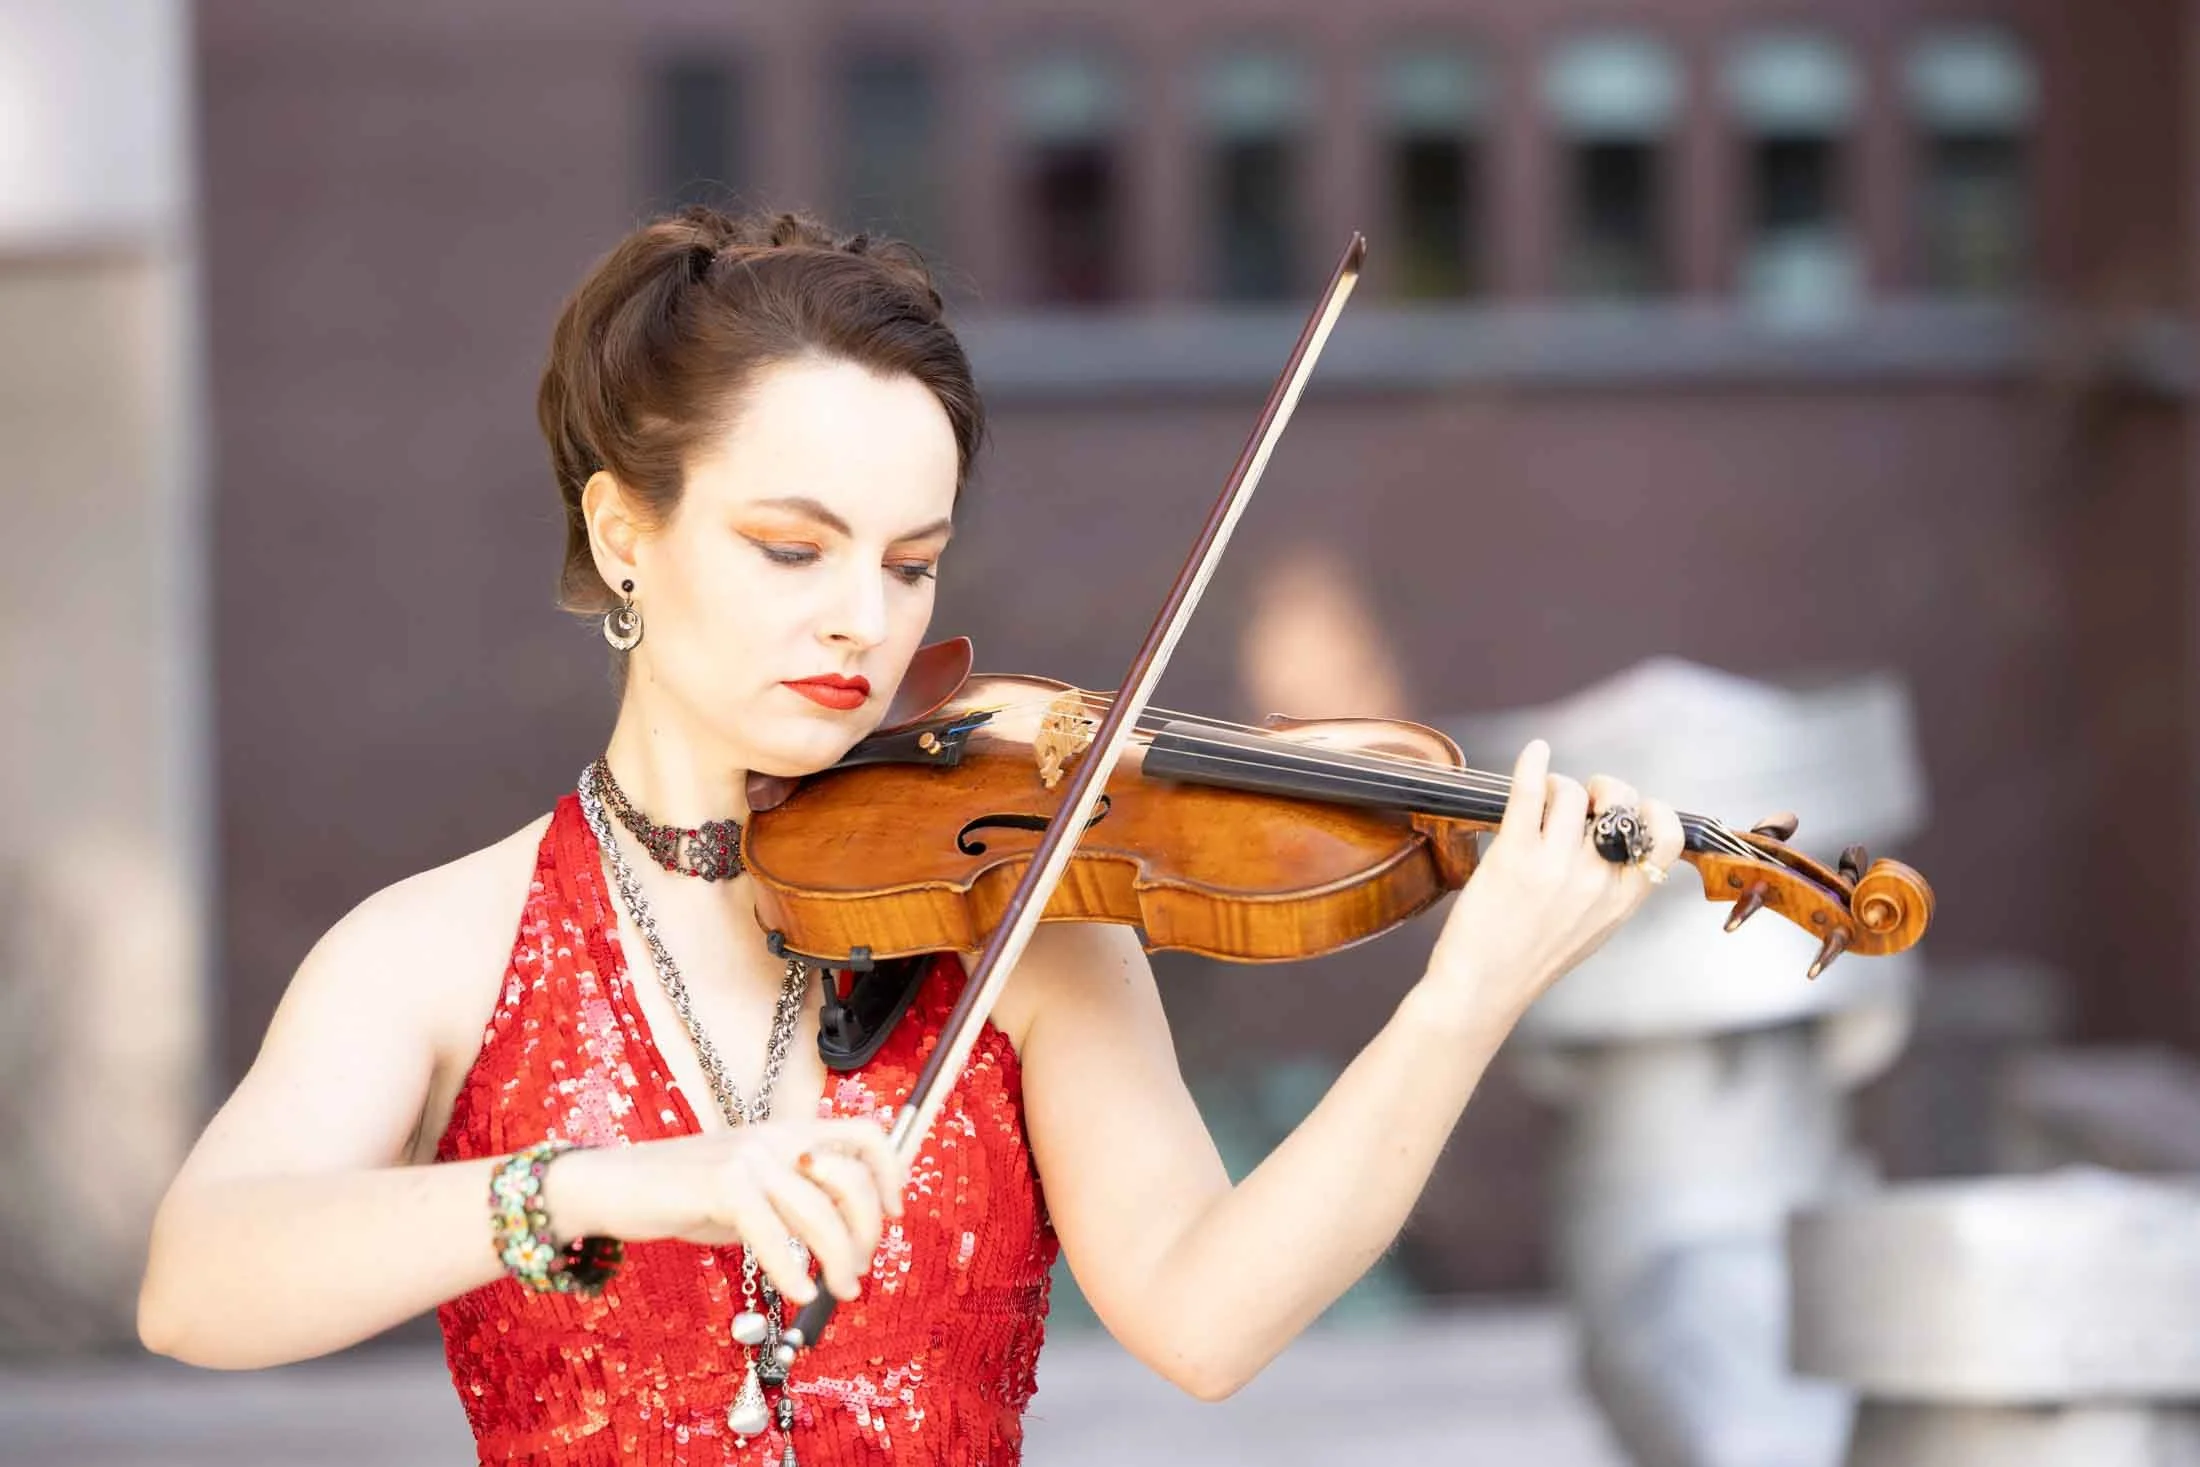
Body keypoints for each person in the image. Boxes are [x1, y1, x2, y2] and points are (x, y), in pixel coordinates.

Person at [136, 206, 1683, 1465]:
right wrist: (612, 1183)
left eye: (909, 562)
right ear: (623, 532)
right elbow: (199, 1283)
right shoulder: (436, 952)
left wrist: (1464, 999)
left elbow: (1209, 1318)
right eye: (791, 547)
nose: (861, 622)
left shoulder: (1020, 921)